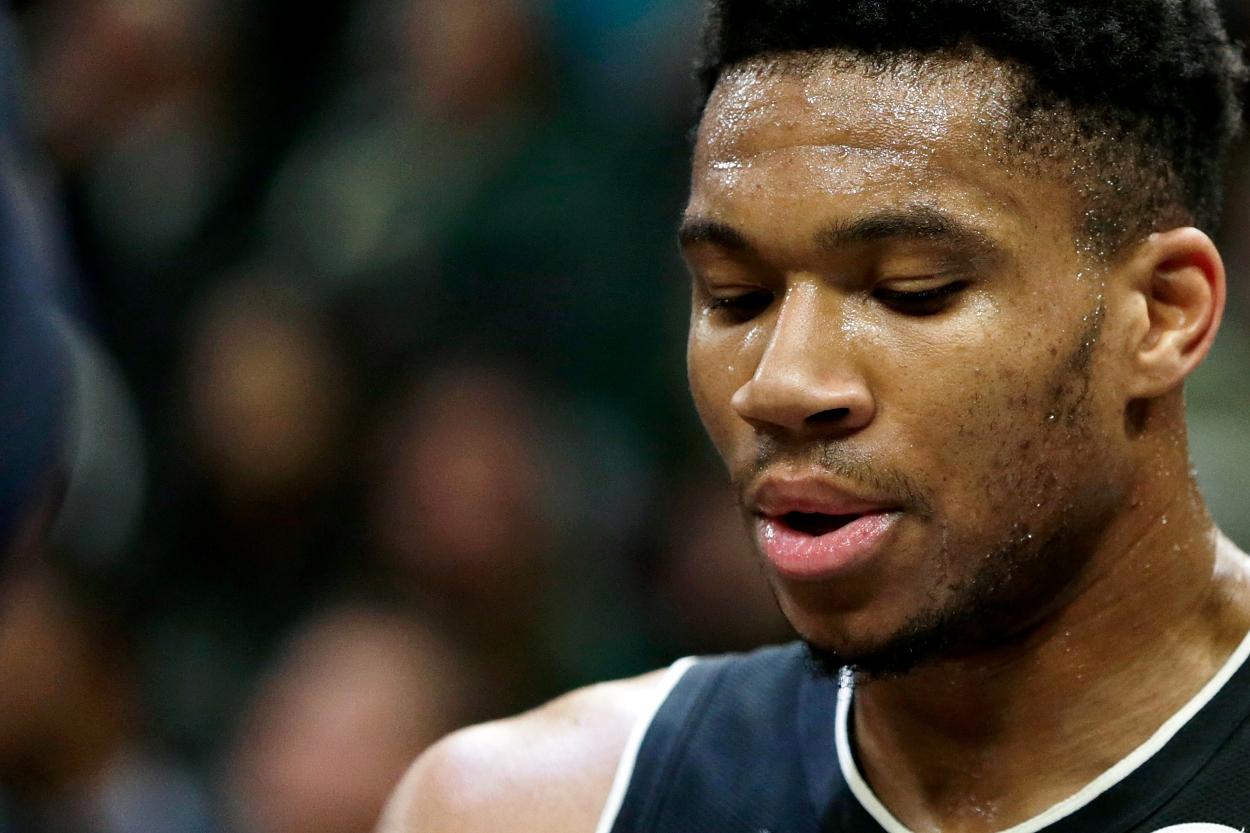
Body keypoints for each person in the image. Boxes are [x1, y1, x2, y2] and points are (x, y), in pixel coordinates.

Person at [377, 1, 1250, 831]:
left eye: (913, 292)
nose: (781, 384)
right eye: (736, 296)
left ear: (1164, 312)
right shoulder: (523, 808)